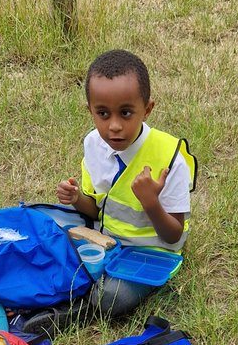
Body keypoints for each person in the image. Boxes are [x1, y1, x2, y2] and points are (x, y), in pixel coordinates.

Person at [53, 49, 196, 321]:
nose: (114, 126)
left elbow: (174, 237)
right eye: (103, 114)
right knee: (45, 243)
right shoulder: (93, 144)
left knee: (109, 299)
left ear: (148, 109)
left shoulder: (169, 158)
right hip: (104, 240)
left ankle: (70, 307)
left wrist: (151, 203)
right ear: (90, 111)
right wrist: (75, 200)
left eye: (126, 113)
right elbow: (97, 210)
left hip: (150, 253)